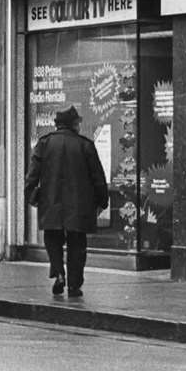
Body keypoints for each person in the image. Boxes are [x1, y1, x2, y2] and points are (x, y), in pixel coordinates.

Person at [25, 105, 109, 298]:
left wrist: (32, 196)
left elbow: (32, 175)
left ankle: (58, 273)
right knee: (77, 245)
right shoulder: (85, 145)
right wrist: (102, 201)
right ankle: (74, 286)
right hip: (79, 205)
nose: (79, 125)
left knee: (52, 239)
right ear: (73, 124)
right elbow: (98, 177)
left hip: (50, 201)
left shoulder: (44, 143)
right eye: (78, 122)